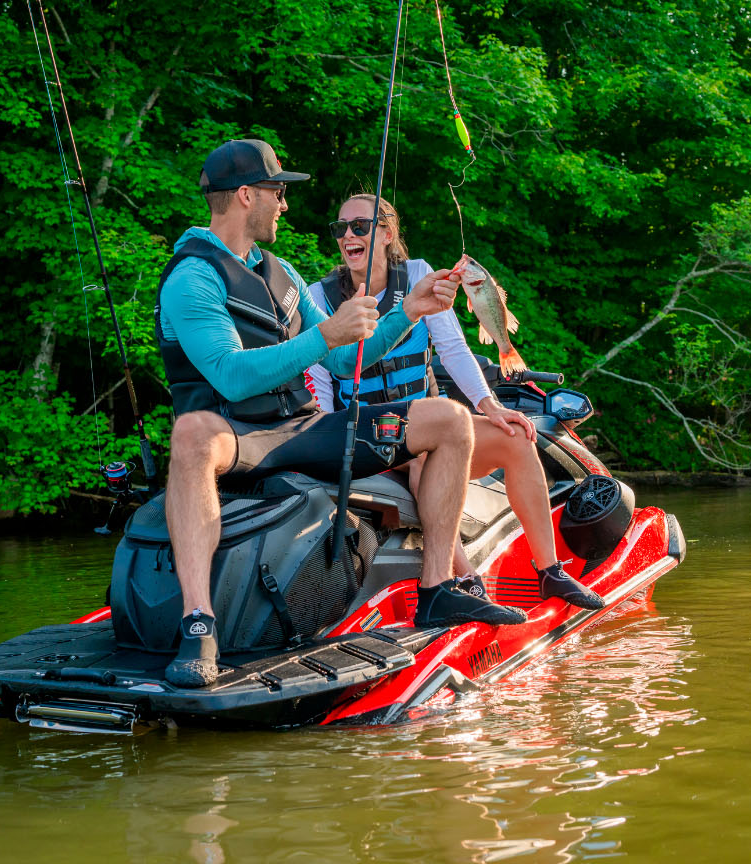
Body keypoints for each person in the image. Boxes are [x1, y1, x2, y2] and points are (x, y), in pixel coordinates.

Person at [154, 139, 528, 688]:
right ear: (246, 195)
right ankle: (198, 622)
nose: (284, 205)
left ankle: (437, 590)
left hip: (303, 427)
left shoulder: (281, 273)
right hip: (236, 435)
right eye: (278, 192)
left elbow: (343, 357)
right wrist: (326, 333)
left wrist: (409, 311)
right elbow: (230, 375)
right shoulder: (193, 277)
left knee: (448, 418)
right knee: (190, 433)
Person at [305, 194, 606, 611]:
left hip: (434, 423)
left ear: (388, 234)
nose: (348, 236)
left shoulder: (418, 275)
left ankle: (550, 571)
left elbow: (453, 348)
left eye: (360, 226)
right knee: (425, 457)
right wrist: (321, 441)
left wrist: (490, 406)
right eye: (341, 228)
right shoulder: (317, 297)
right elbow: (319, 383)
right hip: (371, 437)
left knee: (517, 438)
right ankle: (467, 582)